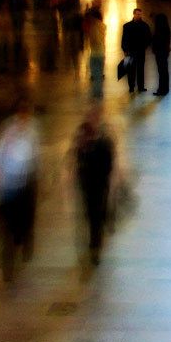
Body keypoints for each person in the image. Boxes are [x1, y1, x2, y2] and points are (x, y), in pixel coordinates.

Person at [0, 99, 40, 283]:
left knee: (20, 222)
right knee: (4, 229)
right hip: (5, 193)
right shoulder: (4, 139)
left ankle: (22, 239)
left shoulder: (31, 130)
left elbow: (33, 158)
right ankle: (8, 259)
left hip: (22, 187)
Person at [72, 106, 116, 266]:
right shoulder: (82, 134)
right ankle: (96, 236)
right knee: (90, 214)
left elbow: (110, 159)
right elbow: (76, 155)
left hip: (100, 183)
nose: (93, 121)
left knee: (96, 216)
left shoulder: (104, 136)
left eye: (95, 118)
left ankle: (95, 246)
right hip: (86, 183)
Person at [120, 7, 152, 94]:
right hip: (131, 51)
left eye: (140, 14)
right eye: (138, 14)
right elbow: (124, 39)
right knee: (132, 70)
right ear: (134, 14)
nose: (139, 16)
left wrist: (144, 46)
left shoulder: (141, 26)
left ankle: (139, 87)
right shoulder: (130, 26)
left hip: (139, 51)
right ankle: (132, 87)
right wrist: (125, 50)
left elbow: (148, 38)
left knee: (139, 69)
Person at [83, 0, 106, 98]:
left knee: (96, 75)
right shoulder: (103, 27)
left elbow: (92, 38)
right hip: (101, 53)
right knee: (99, 75)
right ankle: (99, 92)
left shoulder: (93, 29)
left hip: (95, 54)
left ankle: (96, 93)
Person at [150, 12, 171, 96]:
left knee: (161, 71)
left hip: (160, 52)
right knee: (164, 71)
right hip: (164, 52)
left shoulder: (159, 30)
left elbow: (157, 41)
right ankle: (165, 89)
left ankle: (161, 90)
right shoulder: (166, 29)